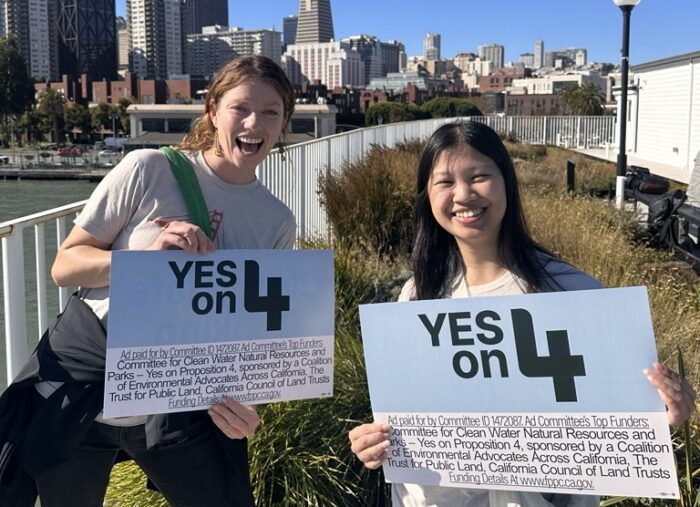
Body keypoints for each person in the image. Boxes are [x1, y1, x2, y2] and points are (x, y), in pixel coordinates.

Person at [348, 121, 697, 507]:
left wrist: (659, 416)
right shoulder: (415, 298)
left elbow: (616, 423)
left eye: (479, 176)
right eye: (444, 182)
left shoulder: (574, 294)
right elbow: (406, 421)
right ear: (427, 196)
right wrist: (375, 444)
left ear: (507, 182)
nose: (463, 195)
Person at [1, 55, 296, 507]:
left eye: (270, 112)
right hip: (83, 389)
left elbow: (254, 331)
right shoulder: (148, 169)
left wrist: (248, 404)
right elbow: (64, 265)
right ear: (213, 111)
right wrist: (143, 262)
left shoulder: (277, 221)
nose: (254, 123)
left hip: (179, 399)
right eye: (240, 108)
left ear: (284, 122)